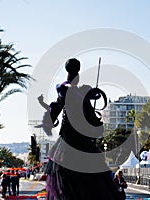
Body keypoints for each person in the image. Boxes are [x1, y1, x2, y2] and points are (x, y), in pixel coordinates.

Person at [46, 58, 121, 200]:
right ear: (78, 73)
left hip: (66, 142)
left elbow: (55, 109)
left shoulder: (65, 90)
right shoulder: (82, 94)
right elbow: (94, 123)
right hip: (81, 142)